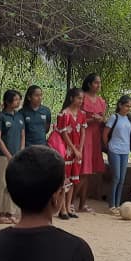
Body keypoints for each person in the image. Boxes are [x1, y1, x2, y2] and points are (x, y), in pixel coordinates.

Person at [50, 88, 87, 220]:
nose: (80, 101)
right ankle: (62, 208)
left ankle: (69, 205)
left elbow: (83, 132)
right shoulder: (63, 114)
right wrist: (74, 149)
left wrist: (80, 149)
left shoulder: (82, 114)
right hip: (66, 149)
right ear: (71, 98)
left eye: (82, 99)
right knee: (65, 179)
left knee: (72, 178)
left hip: (76, 150)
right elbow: (64, 133)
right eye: (78, 98)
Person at [0, 89, 24, 224]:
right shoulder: (1, 117)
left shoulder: (19, 116)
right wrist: (8, 154)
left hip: (16, 155)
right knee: (1, 183)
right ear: (7, 101)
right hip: (2, 156)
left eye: (18, 100)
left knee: (12, 183)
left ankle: (10, 212)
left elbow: (23, 135)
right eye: (15, 100)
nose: (18, 102)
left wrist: (21, 151)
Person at [77, 74, 106, 215]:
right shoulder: (82, 97)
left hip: (95, 137)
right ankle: (69, 202)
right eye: (96, 83)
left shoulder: (101, 101)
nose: (98, 85)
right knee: (83, 171)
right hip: (83, 136)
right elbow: (75, 117)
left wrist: (100, 119)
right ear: (89, 84)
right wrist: (90, 120)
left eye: (99, 83)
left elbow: (103, 119)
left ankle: (82, 204)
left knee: (88, 173)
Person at [103, 95, 131, 213]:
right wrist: (108, 147)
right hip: (114, 149)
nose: (128, 109)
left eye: (130, 107)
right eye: (126, 106)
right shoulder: (114, 117)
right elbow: (105, 134)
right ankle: (112, 204)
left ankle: (118, 203)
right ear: (120, 105)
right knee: (116, 177)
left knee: (122, 178)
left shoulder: (129, 119)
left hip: (125, 151)